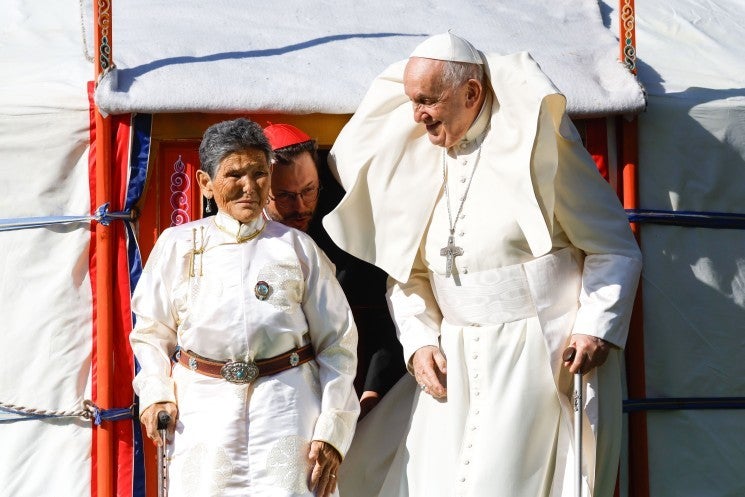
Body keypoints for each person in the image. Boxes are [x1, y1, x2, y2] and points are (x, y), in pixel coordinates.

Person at [324, 33, 643, 497]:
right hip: (453, 366)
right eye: (413, 102)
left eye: (428, 100)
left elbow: (614, 247)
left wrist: (595, 326)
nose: (417, 115)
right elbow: (407, 275)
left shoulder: (539, 147)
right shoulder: (420, 158)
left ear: (471, 93)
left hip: (536, 359)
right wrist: (417, 342)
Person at [130, 118, 359, 497]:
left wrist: (333, 427)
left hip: (287, 410)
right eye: (234, 174)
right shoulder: (177, 246)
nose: (249, 187)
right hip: (203, 413)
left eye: (258, 173)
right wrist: (156, 392)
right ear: (205, 183)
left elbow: (338, 343)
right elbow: (150, 331)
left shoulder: (299, 249)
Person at [263, 123, 405, 418]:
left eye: (309, 190)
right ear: (262, 190)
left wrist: (373, 391)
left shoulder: (347, 227)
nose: (300, 207)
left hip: (347, 396)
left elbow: (382, 316)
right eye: (286, 196)